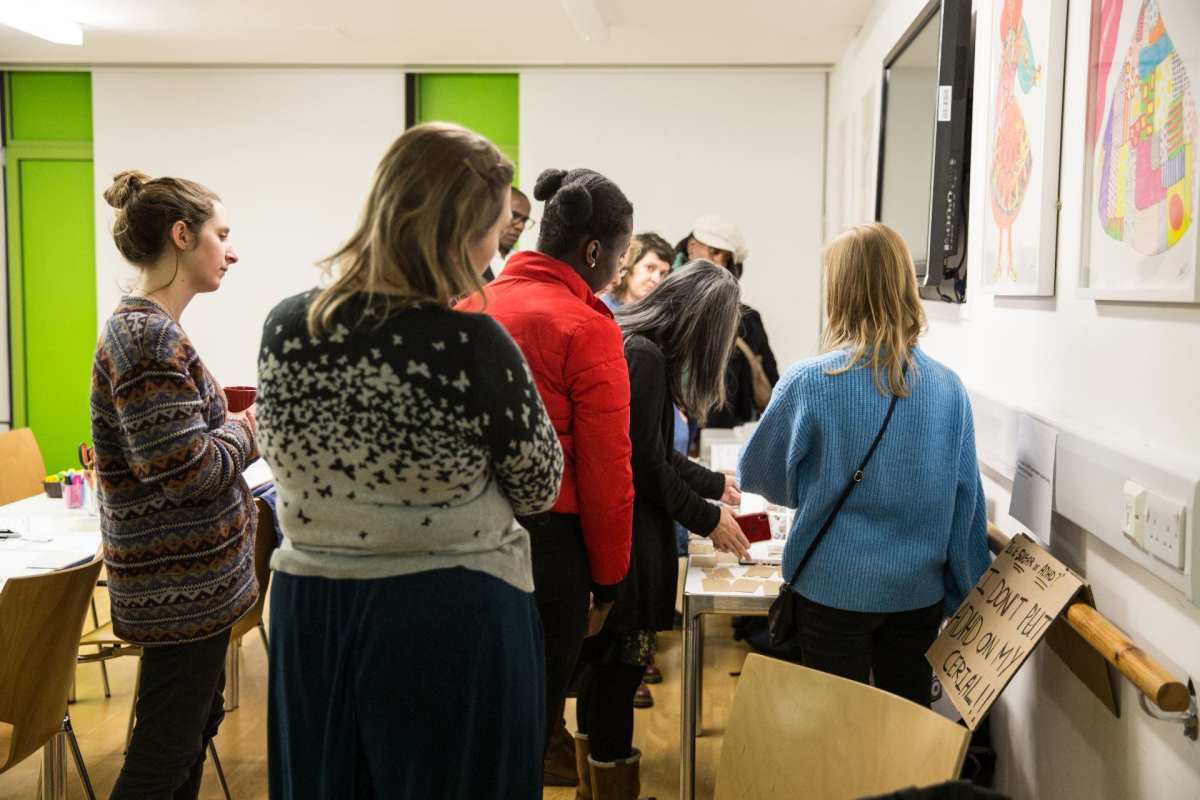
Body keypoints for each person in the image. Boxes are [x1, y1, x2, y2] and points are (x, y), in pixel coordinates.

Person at [256, 123, 563, 798]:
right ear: (457, 234)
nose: (495, 250)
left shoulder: (287, 327)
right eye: (495, 231)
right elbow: (540, 484)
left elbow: (282, 456)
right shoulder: (469, 344)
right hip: (446, 613)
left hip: (314, 609)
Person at [737, 222, 990, 708]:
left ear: (839, 291)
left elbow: (760, 475)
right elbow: (966, 506)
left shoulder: (810, 381)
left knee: (834, 727)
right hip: (916, 595)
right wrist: (964, 592)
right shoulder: (948, 388)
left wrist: (818, 483)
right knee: (903, 728)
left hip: (830, 591)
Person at [457, 167, 635, 789]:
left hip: (463, 540)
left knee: (473, 726)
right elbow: (606, 470)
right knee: (530, 730)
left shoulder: (469, 308)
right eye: (621, 254)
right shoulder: (587, 327)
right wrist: (609, 581)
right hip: (550, 552)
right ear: (594, 251)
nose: (620, 268)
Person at [91, 171, 258, 799]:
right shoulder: (146, 336)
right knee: (163, 757)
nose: (231, 252)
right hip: (179, 589)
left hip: (191, 588)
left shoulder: (154, 329)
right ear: (183, 236)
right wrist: (253, 426)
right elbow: (191, 474)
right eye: (222, 235)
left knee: (187, 737)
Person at [571, 261, 751, 797]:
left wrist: (714, 484)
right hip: (628, 545)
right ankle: (609, 786)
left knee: (601, 674)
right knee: (617, 677)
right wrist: (709, 518)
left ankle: (592, 786)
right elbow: (647, 466)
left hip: (614, 536)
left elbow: (654, 453)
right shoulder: (645, 357)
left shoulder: (636, 344)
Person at [676, 214, 779, 431]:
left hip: (726, 435)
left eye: (725, 258)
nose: (719, 263)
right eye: (714, 252)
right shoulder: (668, 307)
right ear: (692, 247)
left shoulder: (747, 320)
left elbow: (773, 384)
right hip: (676, 430)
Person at [599, 232, 673, 312]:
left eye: (662, 273)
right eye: (650, 268)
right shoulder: (600, 303)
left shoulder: (659, 314)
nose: (657, 280)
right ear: (630, 264)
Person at [485, 185, 533, 282]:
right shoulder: (469, 259)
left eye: (524, 220)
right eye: (514, 216)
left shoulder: (524, 265)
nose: (520, 226)